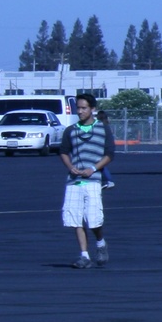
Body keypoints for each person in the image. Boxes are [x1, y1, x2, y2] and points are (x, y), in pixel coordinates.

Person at [58, 94, 112, 268]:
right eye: (78, 108)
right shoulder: (71, 130)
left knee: (93, 218)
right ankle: (84, 255)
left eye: (84, 108)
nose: (80, 111)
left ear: (92, 109)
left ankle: (100, 242)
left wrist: (94, 168)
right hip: (75, 180)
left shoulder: (103, 129)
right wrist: (70, 166)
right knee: (75, 219)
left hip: (93, 180)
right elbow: (64, 151)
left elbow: (109, 154)